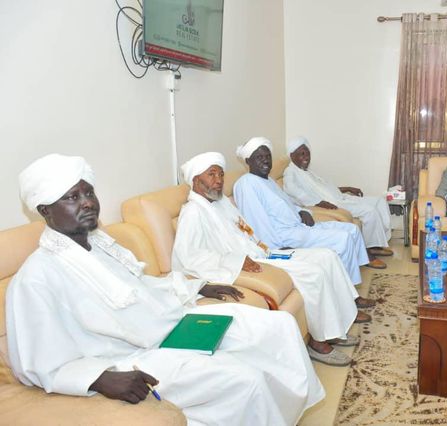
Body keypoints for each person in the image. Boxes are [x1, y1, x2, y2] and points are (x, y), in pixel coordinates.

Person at [7, 154, 325, 426]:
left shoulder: (101, 245)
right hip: (135, 358)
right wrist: (102, 378)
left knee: (278, 326)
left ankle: (289, 413)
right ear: (44, 210)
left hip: (174, 326)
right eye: (72, 197)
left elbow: (145, 285)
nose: (87, 202)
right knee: (246, 380)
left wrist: (199, 285)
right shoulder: (36, 277)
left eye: (88, 192)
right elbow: (38, 363)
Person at [173, 152, 372, 366]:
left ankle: (336, 328)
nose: (219, 180)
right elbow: (189, 256)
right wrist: (238, 261)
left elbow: (246, 231)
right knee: (313, 273)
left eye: (221, 174)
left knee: (327, 256)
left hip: (263, 252)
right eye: (211, 174)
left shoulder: (221, 204)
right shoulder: (193, 212)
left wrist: (266, 247)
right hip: (247, 263)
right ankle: (319, 343)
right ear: (196, 180)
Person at [233, 137, 377, 308]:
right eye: (259, 157)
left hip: (298, 225)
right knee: (342, 239)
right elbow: (257, 222)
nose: (265, 161)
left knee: (351, 229)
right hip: (284, 236)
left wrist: (304, 212)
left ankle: (350, 283)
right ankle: (350, 300)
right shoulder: (246, 184)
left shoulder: (268, 180)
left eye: (267, 156)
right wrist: (276, 247)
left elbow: (287, 204)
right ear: (248, 161)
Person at [283, 136, 393, 261]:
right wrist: (318, 202)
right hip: (334, 203)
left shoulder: (307, 172)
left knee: (379, 201)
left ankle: (378, 242)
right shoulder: (290, 172)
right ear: (292, 156)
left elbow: (326, 188)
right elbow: (292, 190)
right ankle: (370, 248)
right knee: (369, 211)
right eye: (302, 154)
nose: (306, 157)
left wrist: (347, 188)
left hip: (341, 197)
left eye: (308, 153)